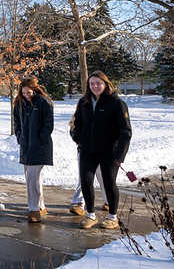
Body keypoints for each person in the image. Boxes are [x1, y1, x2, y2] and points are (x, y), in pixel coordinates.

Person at [71, 70, 132, 229]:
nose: (95, 86)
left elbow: (125, 132)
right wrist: (77, 137)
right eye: (92, 84)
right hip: (87, 151)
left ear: (106, 84)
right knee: (85, 181)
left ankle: (112, 217)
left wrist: (119, 155)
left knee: (109, 183)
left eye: (98, 83)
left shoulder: (116, 103)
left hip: (109, 152)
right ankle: (90, 215)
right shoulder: (84, 102)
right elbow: (77, 123)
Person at [12, 76, 54, 223]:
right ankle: (41, 206)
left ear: (34, 90)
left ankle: (34, 210)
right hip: (25, 146)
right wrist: (19, 137)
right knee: (32, 179)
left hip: (40, 146)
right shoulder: (19, 104)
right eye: (24, 93)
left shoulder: (43, 102)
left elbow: (48, 125)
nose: (26, 95)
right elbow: (16, 122)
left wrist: (39, 140)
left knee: (31, 176)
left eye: (29, 92)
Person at [68, 114, 108, 216]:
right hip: (85, 151)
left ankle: (109, 201)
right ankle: (80, 203)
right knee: (84, 178)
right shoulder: (82, 108)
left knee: (103, 177)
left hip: (102, 151)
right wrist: (80, 141)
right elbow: (73, 129)